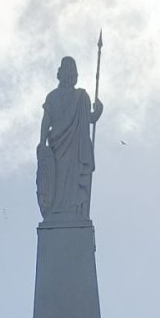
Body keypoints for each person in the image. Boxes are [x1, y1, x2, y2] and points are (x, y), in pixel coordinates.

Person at [37, 56, 103, 218]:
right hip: (58, 148)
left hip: (75, 147)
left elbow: (88, 119)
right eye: (68, 73)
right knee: (59, 180)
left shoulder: (81, 97)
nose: (69, 77)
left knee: (70, 181)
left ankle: (71, 212)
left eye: (71, 74)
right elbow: (46, 121)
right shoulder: (56, 97)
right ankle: (59, 211)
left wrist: (98, 112)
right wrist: (42, 143)